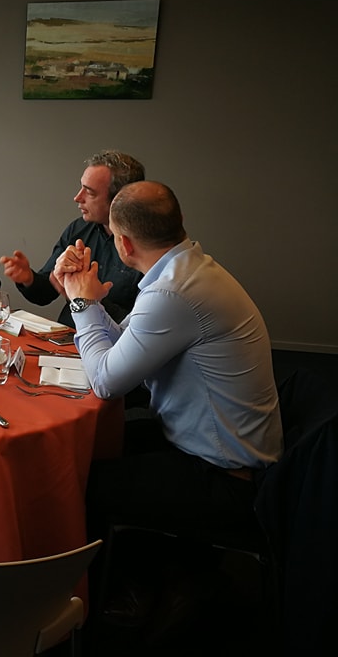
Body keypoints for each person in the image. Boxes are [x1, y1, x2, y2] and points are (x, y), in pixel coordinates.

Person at [57, 181, 283, 633]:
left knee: (79, 482)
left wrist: (82, 302)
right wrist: (82, 299)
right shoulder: (186, 271)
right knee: (89, 448)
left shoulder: (173, 293)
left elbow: (106, 382)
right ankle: (161, 573)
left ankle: (117, 594)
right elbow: (127, 347)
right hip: (218, 448)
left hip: (227, 478)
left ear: (124, 243)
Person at [1, 150, 144, 326]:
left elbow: (141, 328)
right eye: (81, 187)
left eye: (90, 193)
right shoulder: (79, 229)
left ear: (119, 199)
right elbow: (46, 292)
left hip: (111, 340)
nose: (77, 197)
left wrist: (90, 299)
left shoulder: (147, 244)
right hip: (66, 335)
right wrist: (28, 279)